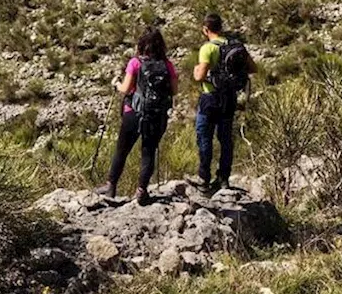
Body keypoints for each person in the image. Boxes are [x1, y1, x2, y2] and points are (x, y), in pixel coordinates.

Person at [97, 27, 178, 205]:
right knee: (148, 152)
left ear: (141, 44)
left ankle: (111, 186)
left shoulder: (135, 63)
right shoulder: (167, 65)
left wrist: (116, 83)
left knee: (122, 149)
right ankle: (141, 190)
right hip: (157, 115)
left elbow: (126, 89)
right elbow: (175, 90)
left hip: (133, 113)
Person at [191, 13, 256, 191]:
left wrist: (197, 70)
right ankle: (224, 178)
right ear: (221, 27)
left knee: (204, 136)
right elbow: (253, 68)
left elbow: (199, 76)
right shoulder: (236, 45)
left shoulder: (208, 48)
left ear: (206, 29)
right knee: (226, 139)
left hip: (210, 98)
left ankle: (204, 178)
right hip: (229, 98)